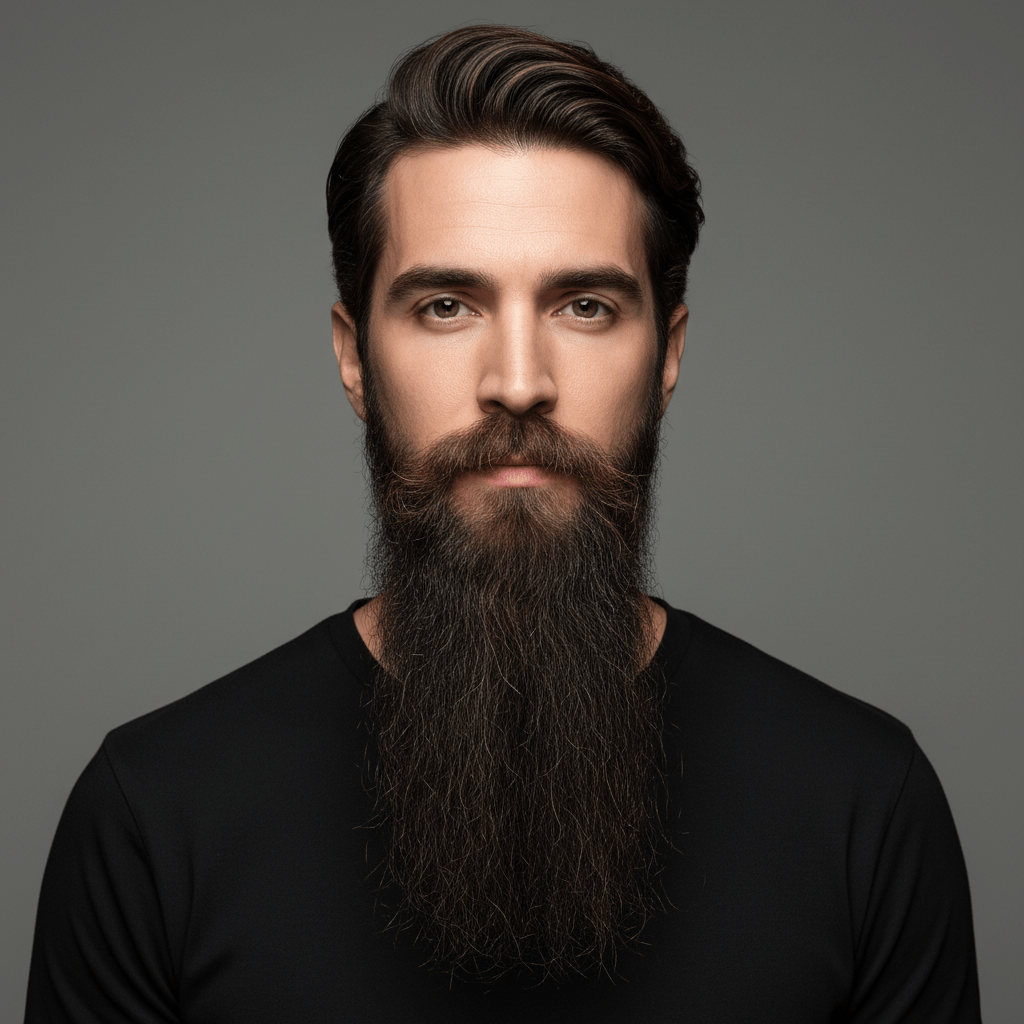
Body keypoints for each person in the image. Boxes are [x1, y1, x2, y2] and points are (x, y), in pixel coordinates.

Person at [25, 25, 981, 1023]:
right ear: (354, 356)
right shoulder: (153, 818)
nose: (518, 382)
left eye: (585, 305)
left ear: (667, 353)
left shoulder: (862, 807)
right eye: (445, 304)